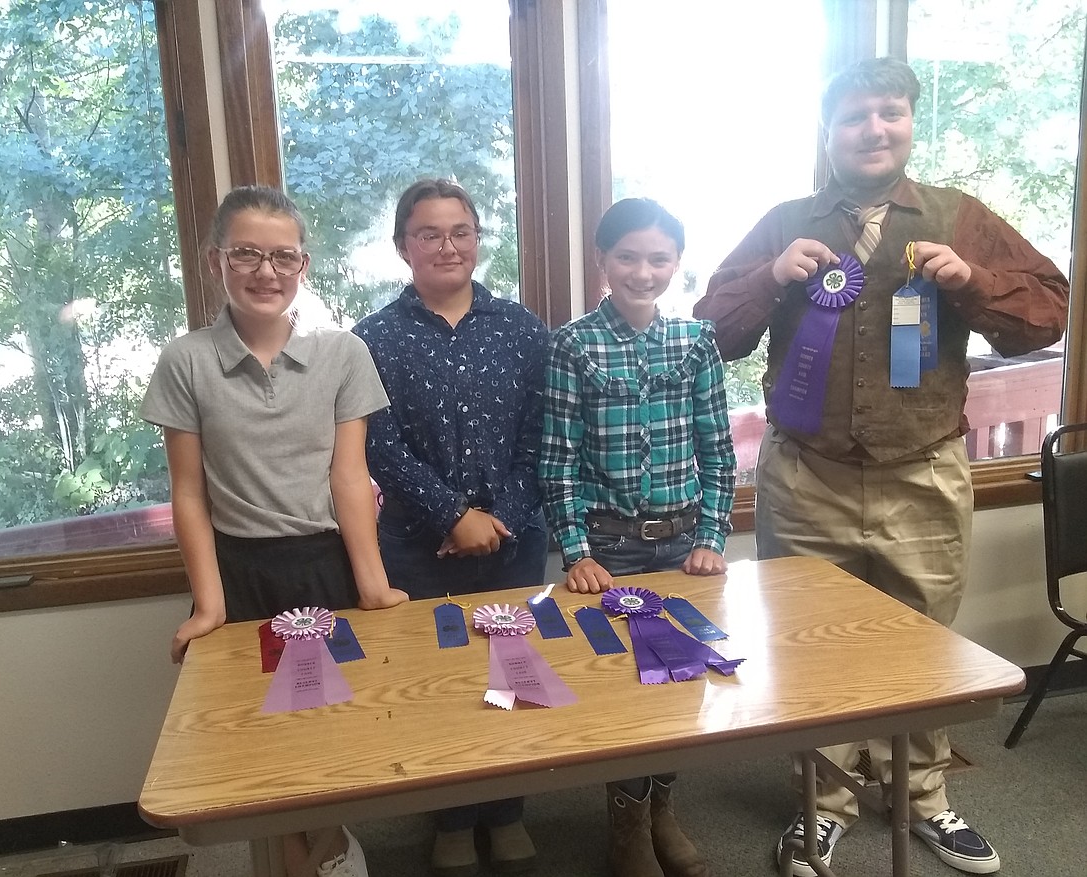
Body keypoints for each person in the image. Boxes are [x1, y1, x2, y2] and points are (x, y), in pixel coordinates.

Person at [694, 57, 1070, 876]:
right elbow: (708, 333)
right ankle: (820, 804)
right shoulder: (787, 220)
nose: (874, 129)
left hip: (922, 472)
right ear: (829, 131)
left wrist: (972, 281)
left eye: (890, 113)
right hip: (807, 477)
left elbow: (1048, 311)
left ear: (909, 123)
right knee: (807, 646)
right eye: (856, 115)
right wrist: (768, 275)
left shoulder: (958, 216)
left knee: (925, 643)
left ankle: (921, 796)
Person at [141, 184, 408, 877]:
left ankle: (324, 845)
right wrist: (208, 604)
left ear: (303, 264)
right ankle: (300, 855)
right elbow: (189, 491)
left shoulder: (343, 353)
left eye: (283, 256)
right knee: (257, 744)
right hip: (236, 574)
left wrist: (373, 587)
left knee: (326, 733)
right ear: (215, 262)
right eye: (248, 254)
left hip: (323, 569)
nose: (267, 271)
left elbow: (350, 480)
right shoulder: (187, 360)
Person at [352, 178, 550, 877]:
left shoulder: (524, 329)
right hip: (418, 546)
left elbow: (542, 438)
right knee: (441, 683)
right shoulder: (370, 339)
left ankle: (506, 810)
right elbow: (378, 447)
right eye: (429, 233)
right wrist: (451, 516)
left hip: (514, 540)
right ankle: (453, 818)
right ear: (403, 244)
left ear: (477, 238)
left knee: (511, 674)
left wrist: (497, 521)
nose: (447, 245)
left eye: (460, 231)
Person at [540, 197, 735, 877]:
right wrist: (577, 549)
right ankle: (626, 826)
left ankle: (663, 811)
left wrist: (711, 532)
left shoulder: (695, 341)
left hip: (683, 550)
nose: (643, 271)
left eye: (659, 258)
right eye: (628, 256)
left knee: (682, 686)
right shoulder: (573, 344)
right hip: (610, 550)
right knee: (625, 692)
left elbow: (718, 448)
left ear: (676, 264)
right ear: (602, 261)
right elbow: (558, 458)